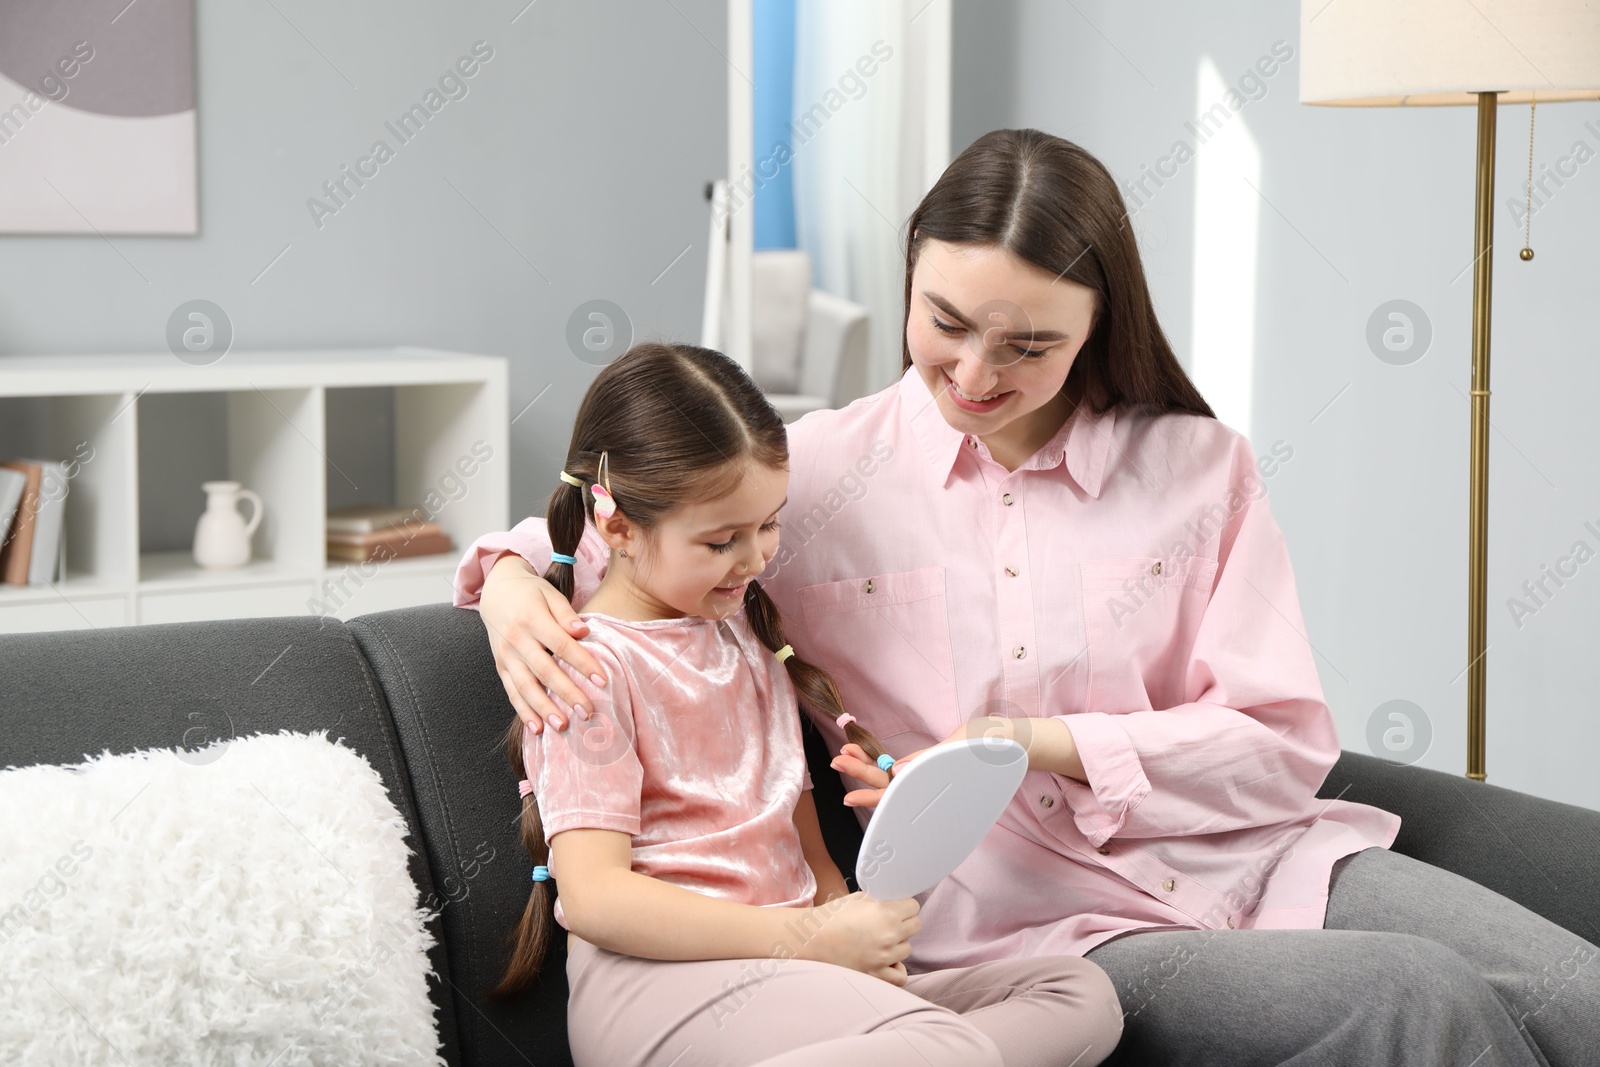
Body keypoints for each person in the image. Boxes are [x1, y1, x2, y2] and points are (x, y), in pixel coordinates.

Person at [458, 130, 1600, 1065]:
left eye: (1029, 345)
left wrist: (1043, 741)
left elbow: (1280, 741)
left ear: (1101, 322)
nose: (971, 376)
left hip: (1263, 857)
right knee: (1415, 994)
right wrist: (507, 583)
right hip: (1045, 926)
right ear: (910, 273)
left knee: (1577, 993)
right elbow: (618, 516)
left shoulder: (1200, 469)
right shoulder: (814, 479)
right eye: (943, 322)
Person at [484, 340, 1124, 1067]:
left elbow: (808, 859)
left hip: (785, 970)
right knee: (943, 1045)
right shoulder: (582, 664)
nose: (757, 559)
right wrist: (811, 943)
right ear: (618, 526)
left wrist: (842, 923)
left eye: (769, 524)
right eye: (723, 540)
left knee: (1077, 993)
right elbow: (597, 899)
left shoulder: (749, 638)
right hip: (657, 984)